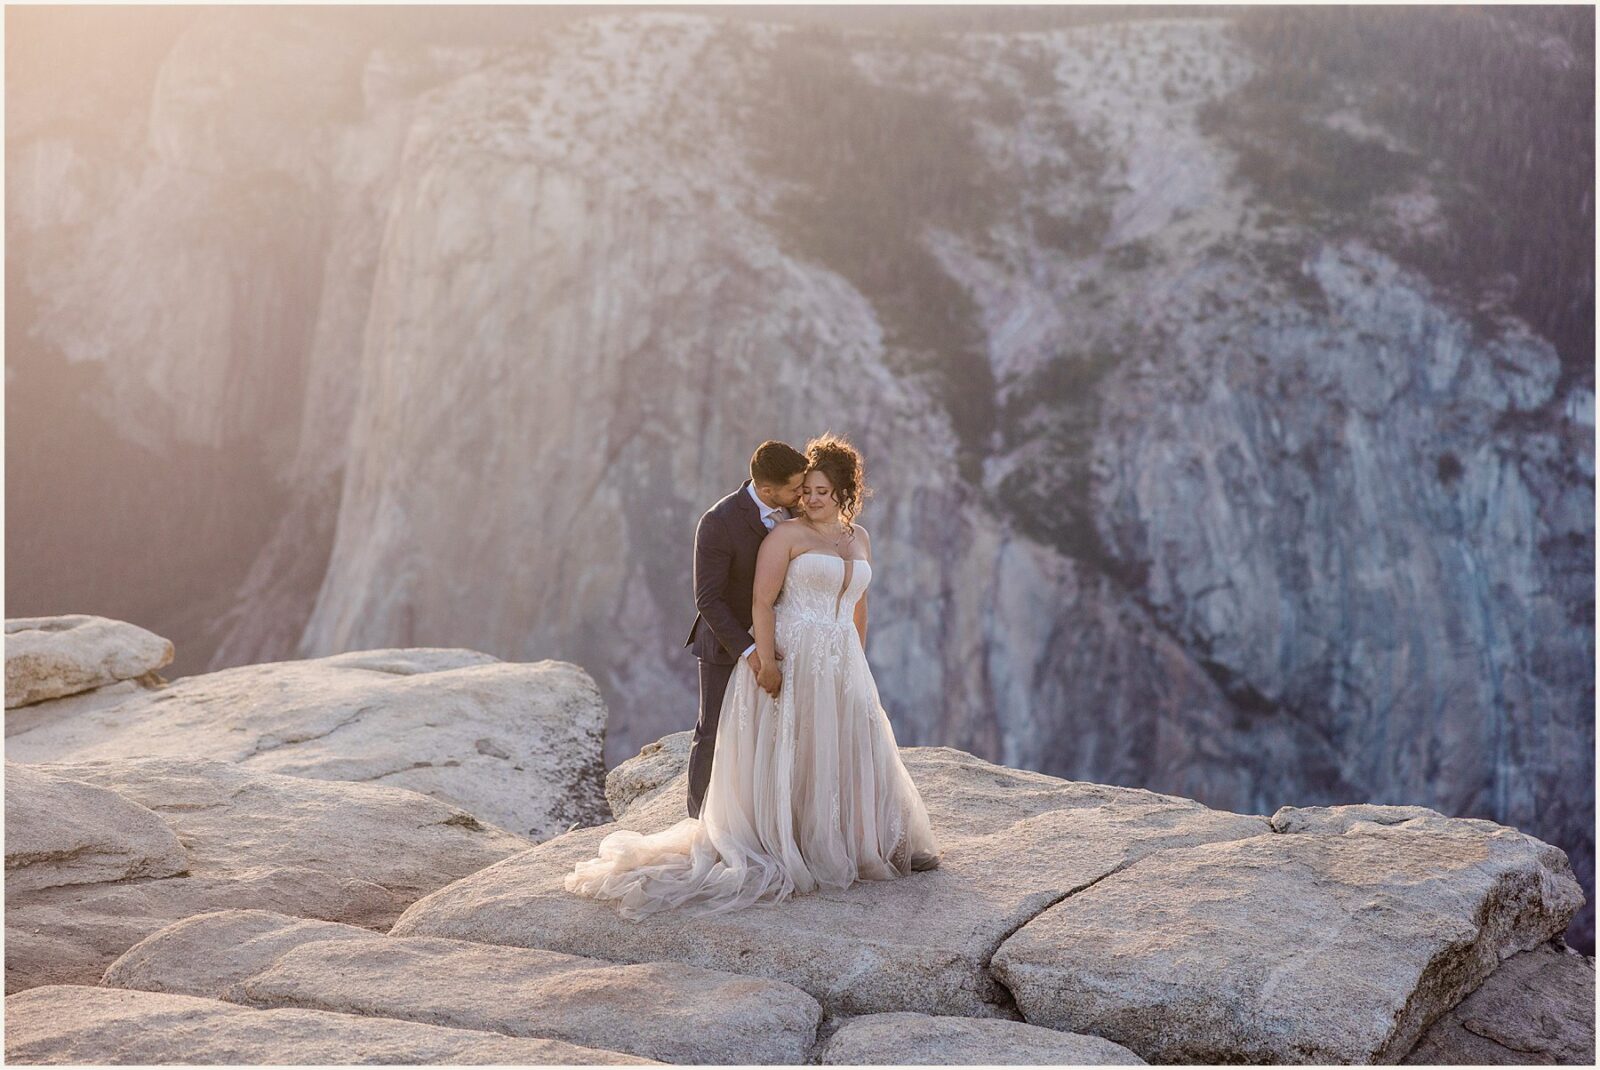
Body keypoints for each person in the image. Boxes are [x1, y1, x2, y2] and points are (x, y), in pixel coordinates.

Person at [564, 432, 941, 919]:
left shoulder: (857, 538)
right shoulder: (766, 530)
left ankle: (860, 839)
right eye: (803, 490)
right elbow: (740, 600)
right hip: (767, 647)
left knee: (845, 744)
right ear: (776, 489)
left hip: (840, 657)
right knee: (721, 734)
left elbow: (858, 604)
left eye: (817, 489)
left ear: (844, 491)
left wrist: (855, 661)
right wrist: (761, 658)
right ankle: (718, 825)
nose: (806, 497)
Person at [681, 440, 807, 819]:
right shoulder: (718, 522)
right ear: (767, 490)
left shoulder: (794, 510)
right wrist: (752, 652)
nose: (802, 494)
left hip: (784, 637)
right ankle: (698, 820)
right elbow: (708, 600)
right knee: (712, 732)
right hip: (726, 643)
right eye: (795, 488)